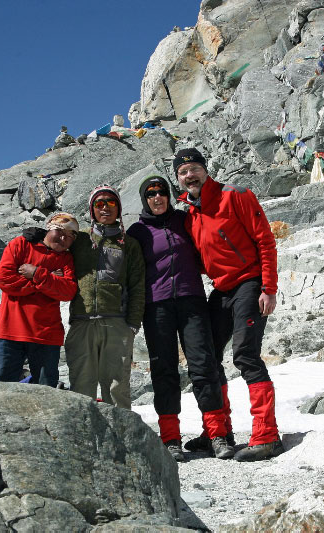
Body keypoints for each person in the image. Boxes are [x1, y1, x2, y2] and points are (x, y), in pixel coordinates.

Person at [175, 148, 283, 462]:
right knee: (206, 357)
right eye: (183, 172)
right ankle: (219, 432)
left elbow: (265, 239)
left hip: (249, 283)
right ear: (178, 179)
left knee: (245, 355)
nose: (189, 175)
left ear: (205, 170)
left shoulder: (234, 195)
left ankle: (267, 435)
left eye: (194, 168)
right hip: (221, 290)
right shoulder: (192, 214)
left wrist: (268, 288)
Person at [126, 175, 234, 461]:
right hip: (156, 306)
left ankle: (217, 434)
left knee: (203, 366)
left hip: (191, 300)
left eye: (162, 192)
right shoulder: (137, 232)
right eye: (151, 194)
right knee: (164, 370)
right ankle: (171, 438)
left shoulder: (185, 220)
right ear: (144, 199)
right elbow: (130, 272)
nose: (157, 197)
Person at [65, 184, 145, 408]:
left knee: (117, 389)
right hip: (82, 323)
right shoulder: (79, 241)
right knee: (81, 387)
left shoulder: (129, 244)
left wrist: (132, 323)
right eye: (99, 204)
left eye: (111, 203)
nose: (105, 208)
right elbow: (54, 240)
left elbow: (137, 285)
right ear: (92, 210)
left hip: (117, 324)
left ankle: (121, 441)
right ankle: (84, 440)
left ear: (119, 208)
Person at [0, 213, 79, 387]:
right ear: (49, 228)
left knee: (46, 394)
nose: (62, 238)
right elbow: (5, 281)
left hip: (46, 335)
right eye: (59, 231)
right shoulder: (20, 244)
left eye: (69, 237)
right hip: (11, 331)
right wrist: (49, 280)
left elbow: (67, 292)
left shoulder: (66, 259)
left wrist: (36, 274)